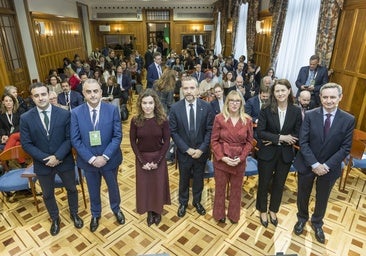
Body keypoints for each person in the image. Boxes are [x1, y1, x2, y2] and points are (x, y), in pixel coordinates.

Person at [293, 83, 354, 244]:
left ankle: (317, 223)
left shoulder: (348, 119)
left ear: (340, 98)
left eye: (332, 97)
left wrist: (325, 166)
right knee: (303, 194)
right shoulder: (310, 115)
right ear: (320, 97)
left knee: (323, 197)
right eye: (325, 97)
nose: (328, 101)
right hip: (307, 164)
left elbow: (345, 147)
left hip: (330, 168)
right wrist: (314, 164)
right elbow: (303, 142)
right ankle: (301, 218)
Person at [20, 82, 83, 236]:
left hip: (64, 160)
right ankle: (55, 219)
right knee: (47, 194)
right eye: (36, 95)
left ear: (49, 95)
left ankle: (74, 213)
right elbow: (26, 144)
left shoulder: (64, 113)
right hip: (43, 164)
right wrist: (46, 159)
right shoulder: (25, 118)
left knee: (72, 189)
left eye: (43, 94)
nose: (41, 98)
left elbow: (70, 139)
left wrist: (58, 156)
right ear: (32, 98)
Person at [70, 78, 125, 232]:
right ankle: (95, 214)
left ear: (101, 92)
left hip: (110, 160)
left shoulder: (112, 109)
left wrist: (105, 157)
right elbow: (75, 139)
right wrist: (92, 159)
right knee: (93, 190)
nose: (93, 95)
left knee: (113, 187)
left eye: (96, 91)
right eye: (89, 92)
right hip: (89, 162)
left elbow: (117, 136)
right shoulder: (75, 113)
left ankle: (116, 209)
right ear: (83, 93)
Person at [256, 79, 302, 228]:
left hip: (286, 155)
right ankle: (262, 210)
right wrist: (281, 138)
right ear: (273, 93)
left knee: (279, 184)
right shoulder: (266, 108)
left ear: (289, 91)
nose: (280, 93)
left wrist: (274, 139)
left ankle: (273, 210)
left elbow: (296, 135)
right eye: (277, 91)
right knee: (263, 183)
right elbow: (260, 132)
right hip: (267, 154)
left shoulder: (296, 111)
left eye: (283, 90)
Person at [169, 76, 214, 218]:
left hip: (201, 152)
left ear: (197, 90)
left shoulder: (206, 107)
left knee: (199, 178)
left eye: (192, 88)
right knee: (184, 179)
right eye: (186, 88)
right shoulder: (175, 108)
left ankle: (197, 201)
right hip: (184, 153)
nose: (189, 91)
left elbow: (209, 130)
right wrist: (187, 149)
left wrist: (201, 149)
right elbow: (174, 132)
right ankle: (183, 202)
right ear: (182, 89)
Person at [130, 89, 171, 226]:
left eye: (150, 103)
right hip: (142, 159)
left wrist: (158, 161)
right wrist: (142, 161)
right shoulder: (135, 120)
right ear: (140, 104)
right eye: (144, 103)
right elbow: (132, 142)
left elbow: (167, 142)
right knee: (146, 188)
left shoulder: (162, 120)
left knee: (158, 187)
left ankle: (157, 211)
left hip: (158, 157)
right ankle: (149, 212)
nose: (147, 106)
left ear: (155, 104)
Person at [211, 90, 253, 224]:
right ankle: (219, 214)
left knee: (236, 190)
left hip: (239, 161)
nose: (234, 104)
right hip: (222, 160)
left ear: (241, 103)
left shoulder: (247, 120)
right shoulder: (219, 118)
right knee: (220, 189)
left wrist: (241, 158)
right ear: (227, 102)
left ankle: (234, 215)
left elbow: (249, 142)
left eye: (237, 101)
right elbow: (214, 141)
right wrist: (222, 157)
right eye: (231, 101)